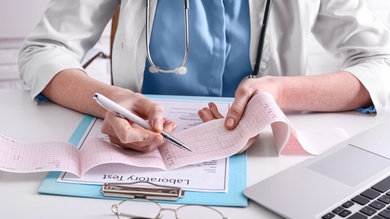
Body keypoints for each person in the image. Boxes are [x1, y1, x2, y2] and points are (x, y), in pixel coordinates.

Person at [19, 0, 390, 153]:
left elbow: (382, 62)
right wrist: (114, 101)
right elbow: (43, 50)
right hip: (141, 153)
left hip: (265, 158)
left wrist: (281, 93)